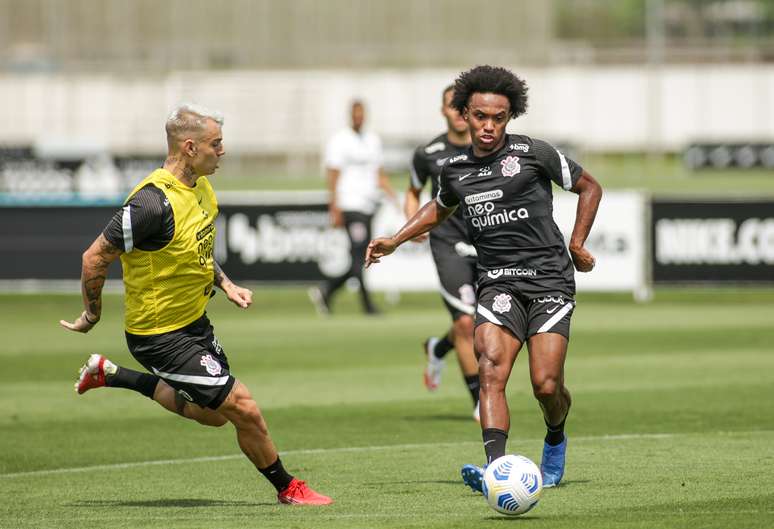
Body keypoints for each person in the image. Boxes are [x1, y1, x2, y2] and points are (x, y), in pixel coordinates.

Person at [60, 103, 332, 506]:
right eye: (215, 144)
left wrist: (225, 283)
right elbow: (94, 257)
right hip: (159, 334)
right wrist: (92, 314)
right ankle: (288, 488)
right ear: (189, 147)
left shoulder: (202, 186)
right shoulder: (150, 204)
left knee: (215, 415)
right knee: (243, 407)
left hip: (194, 323)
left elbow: (195, 251)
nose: (222, 151)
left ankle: (110, 374)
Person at [366, 66, 602, 490]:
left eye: (498, 117)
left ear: (510, 117)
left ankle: (555, 435)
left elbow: (590, 187)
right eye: (480, 116)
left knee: (546, 386)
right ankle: (498, 470)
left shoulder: (535, 153)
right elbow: (439, 207)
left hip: (548, 280)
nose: (488, 125)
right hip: (497, 282)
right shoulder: (454, 169)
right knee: (491, 371)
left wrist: (577, 243)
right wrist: (396, 239)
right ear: (465, 114)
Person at [405, 85, 480, 420]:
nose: (458, 112)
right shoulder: (429, 152)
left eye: (463, 107)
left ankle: (438, 348)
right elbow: (413, 190)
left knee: (483, 323)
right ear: (444, 111)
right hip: (448, 243)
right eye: (452, 106)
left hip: (487, 242)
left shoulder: (490, 148)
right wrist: (413, 223)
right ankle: (481, 400)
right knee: (466, 323)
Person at [308, 100, 397, 315]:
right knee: (361, 256)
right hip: (349, 204)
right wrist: (335, 206)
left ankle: (327, 291)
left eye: (361, 114)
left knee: (359, 257)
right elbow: (333, 174)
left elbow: (379, 173)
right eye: (355, 114)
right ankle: (367, 305)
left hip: (367, 205)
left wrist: (392, 195)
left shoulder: (372, 140)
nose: (359, 118)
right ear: (350, 116)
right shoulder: (340, 140)